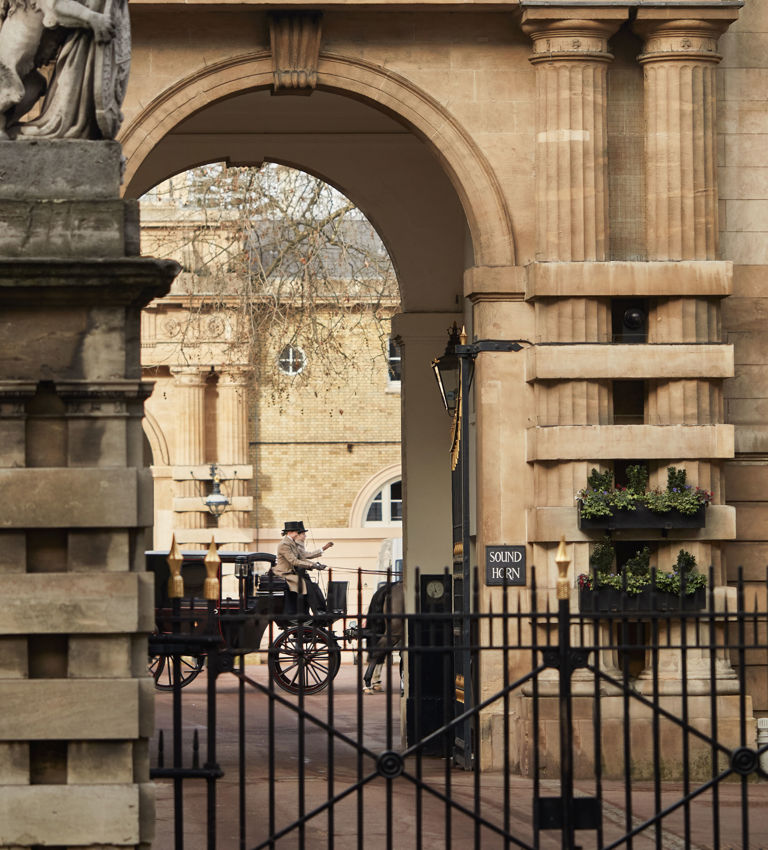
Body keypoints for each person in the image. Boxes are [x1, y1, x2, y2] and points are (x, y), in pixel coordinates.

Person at [275, 520, 334, 616]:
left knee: (313, 586)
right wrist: (312, 565)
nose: (298, 534)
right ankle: (316, 611)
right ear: (290, 532)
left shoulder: (292, 543)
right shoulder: (284, 544)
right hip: (285, 573)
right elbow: (293, 561)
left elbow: (302, 558)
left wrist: (316, 565)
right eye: (297, 532)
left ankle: (322, 609)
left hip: (292, 573)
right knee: (307, 585)